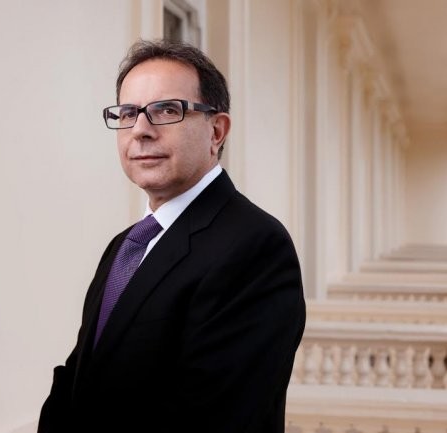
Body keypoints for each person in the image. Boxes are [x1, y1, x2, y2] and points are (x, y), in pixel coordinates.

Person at [38, 40, 306, 433]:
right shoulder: (126, 245)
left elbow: (215, 419)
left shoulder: (257, 247)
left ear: (216, 130)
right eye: (128, 113)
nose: (140, 130)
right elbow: (79, 377)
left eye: (166, 110)